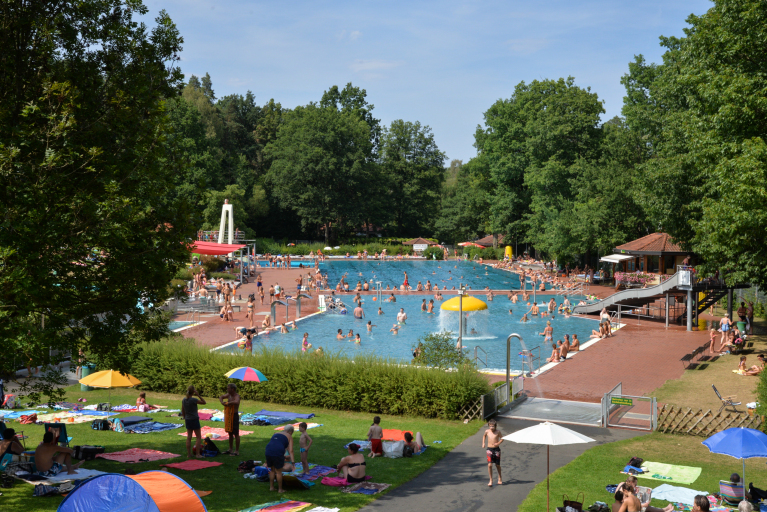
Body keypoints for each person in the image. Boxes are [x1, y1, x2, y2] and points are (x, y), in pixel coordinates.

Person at [265, 424, 296, 493]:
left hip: (268, 450)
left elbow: (273, 444)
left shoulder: (276, 433)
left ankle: (271, 487)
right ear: (290, 432)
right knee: (278, 472)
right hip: (277, 451)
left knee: (272, 470)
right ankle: (280, 489)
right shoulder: (289, 436)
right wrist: (293, 463)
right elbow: (291, 451)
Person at [181, 385, 206, 459]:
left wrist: (185, 417)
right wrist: (198, 395)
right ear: (193, 392)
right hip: (194, 419)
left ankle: (189, 454)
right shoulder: (193, 400)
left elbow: (183, 410)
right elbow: (204, 402)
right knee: (198, 437)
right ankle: (198, 454)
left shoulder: (184, 400)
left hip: (188, 419)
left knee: (189, 437)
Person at [219, 383, 241, 456]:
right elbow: (221, 397)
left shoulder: (236, 396)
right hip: (229, 415)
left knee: (236, 433)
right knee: (230, 433)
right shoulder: (229, 395)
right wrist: (222, 402)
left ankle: (236, 451)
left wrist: (230, 403)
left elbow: (237, 401)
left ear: (233, 389)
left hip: (234, 415)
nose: (227, 389)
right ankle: (230, 449)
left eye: (228, 388)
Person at [482, 419, 503, 487]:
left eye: (493, 426)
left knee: (497, 465)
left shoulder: (498, 432)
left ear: (495, 426)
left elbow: (502, 438)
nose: (491, 428)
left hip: (496, 449)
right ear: (488, 426)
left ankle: (500, 477)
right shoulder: (487, 431)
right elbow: (484, 436)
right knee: (489, 465)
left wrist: (498, 443)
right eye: (490, 426)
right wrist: (483, 443)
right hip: (489, 449)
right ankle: (491, 480)